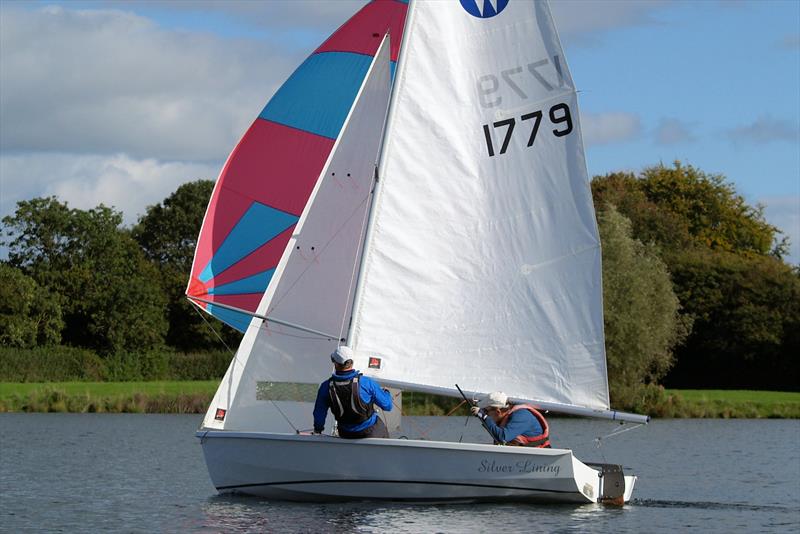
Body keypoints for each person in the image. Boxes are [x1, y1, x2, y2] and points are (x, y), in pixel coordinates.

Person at [313, 346, 393, 439]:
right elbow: (387, 406)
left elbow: (319, 414)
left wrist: (318, 429)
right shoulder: (366, 383)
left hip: (346, 434)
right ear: (352, 362)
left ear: (335, 363)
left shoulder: (325, 387)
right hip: (371, 431)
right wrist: (386, 393)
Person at [471, 391, 550, 447]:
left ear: (498, 411)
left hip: (540, 460)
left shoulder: (521, 416)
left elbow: (503, 438)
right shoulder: (505, 418)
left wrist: (485, 417)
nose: (485, 414)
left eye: (485, 411)